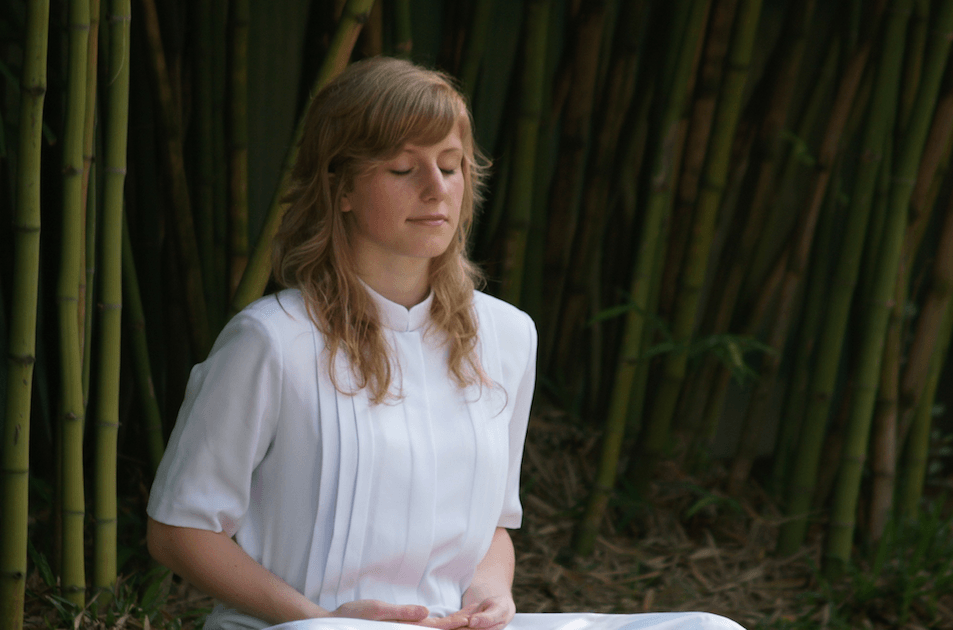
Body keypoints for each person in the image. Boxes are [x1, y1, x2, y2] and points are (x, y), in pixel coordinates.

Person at [146, 57, 745, 630]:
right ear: (341, 188)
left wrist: (490, 591)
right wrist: (323, 622)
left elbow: (493, 529)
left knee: (710, 627)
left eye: (451, 165)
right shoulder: (270, 341)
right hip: (303, 627)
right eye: (404, 170)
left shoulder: (508, 337)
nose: (436, 189)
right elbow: (180, 530)